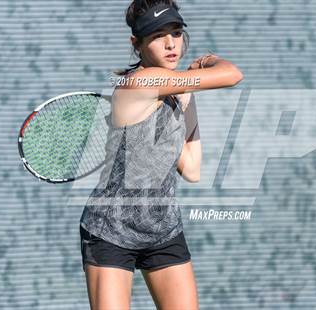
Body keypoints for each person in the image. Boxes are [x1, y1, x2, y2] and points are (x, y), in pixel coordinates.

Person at [79, 0, 244, 309]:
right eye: (158, 35)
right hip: (111, 231)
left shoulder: (173, 90)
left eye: (177, 32)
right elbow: (231, 74)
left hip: (162, 229)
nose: (171, 43)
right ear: (136, 44)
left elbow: (192, 169)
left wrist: (187, 98)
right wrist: (212, 61)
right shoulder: (138, 83)